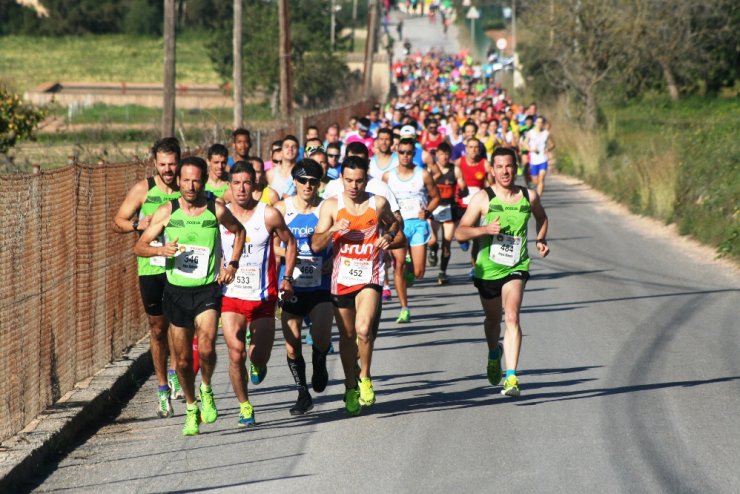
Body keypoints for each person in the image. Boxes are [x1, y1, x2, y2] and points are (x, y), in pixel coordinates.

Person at [133, 156, 246, 436]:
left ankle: (206, 388)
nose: (190, 186)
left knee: (206, 347)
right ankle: (191, 406)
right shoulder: (167, 211)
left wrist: (232, 264)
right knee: (182, 361)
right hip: (176, 291)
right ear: (179, 181)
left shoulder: (215, 209)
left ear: (204, 180)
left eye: (196, 180)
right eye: (185, 180)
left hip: (207, 288)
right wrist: (161, 251)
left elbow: (239, 231)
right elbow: (140, 246)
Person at [311, 156, 404, 416]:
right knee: (347, 337)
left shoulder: (378, 203)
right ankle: (350, 385)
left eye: (359, 181)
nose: (354, 186)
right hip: (341, 279)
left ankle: (364, 377)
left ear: (366, 180)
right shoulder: (331, 206)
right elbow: (316, 245)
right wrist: (333, 230)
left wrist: (388, 236)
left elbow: (395, 223)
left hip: (369, 276)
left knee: (364, 330)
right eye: (349, 180)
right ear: (341, 178)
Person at [454, 147, 550, 397]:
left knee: (512, 317)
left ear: (516, 167)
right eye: (499, 167)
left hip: (516, 266)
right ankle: (493, 352)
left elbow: (542, 217)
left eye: (509, 166)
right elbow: (460, 232)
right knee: (492, 321)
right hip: (487, 270)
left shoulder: (528, 196)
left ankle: (511, 377)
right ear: (492, 170)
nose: (505, 171)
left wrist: (541, 239)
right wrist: (483, 230)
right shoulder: (483, 198)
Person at [219, 160, 297, 427]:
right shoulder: (220, 214)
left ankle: (259, 364)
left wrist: (287, 277)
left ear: (255, 185)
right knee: (235, 353)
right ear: (229, 186)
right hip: (231, 295)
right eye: (236, 183)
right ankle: (245, 405)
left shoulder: (268, 214)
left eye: (246, 183)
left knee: (258, 356)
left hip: (263, 297)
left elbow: (291, 243)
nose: (241, 189)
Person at [112, 137, 182, 418]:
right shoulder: (143, 189)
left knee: (179, 324)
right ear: (155, 163)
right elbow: (117, 221)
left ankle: (175, 373)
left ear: (179, 162)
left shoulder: (187, 188)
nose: (168, 170)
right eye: (163, 164)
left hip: (179, 267)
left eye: (172, 164)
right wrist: (136, 224)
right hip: (151, 268)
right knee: (157, 328)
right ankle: (162, 388)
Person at [274, 160, 333, 415]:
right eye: (303, 180)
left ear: (319, 184)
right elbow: (272, 246)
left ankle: (319, 362)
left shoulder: (327, 208)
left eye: (313, 181)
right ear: (295, 181)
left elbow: (340, 240)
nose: (308, 185)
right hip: (291, 285)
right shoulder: (281, 209)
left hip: (321, 284)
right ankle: (302, 394)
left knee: (321, 338)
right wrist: (291, 254)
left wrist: (332, 259)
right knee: (292, 343)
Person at [383, 138, 439, 323]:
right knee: (398, 265)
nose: (405, 156)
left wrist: (428, 211)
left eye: (409, 152)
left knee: (418, 273)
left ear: (414, 154)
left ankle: (410, 268)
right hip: (398, 225)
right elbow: (381, 201)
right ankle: (404, 308)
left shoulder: (423, 174)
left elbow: (436, 197)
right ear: (397, 153)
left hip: (418, 225)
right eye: (402, 152)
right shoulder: (388, 177)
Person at [426, 142, 467, 284]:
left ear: (450, 155)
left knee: (447, 243)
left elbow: (463, 188)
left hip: (449, 208)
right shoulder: (430, 170)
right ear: (436, 155)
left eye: (446, 154)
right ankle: (432, 249)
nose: (444, 157)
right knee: (432, 240)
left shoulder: (455, 170)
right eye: (441, 154)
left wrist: (462, 191)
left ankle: (442, 272)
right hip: (434, 208)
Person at [526, 116, 554, 196]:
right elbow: (525, 143)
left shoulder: (547, 133)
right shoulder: (530, 133)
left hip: (543, 159)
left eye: (541, 122)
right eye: (538, 122)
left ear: (543, 124)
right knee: (535, 181)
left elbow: (553, 144)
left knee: (541, 179)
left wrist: (548, 149)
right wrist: (531, 149)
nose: (539, 124)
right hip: (534, 160)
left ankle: (538, 199)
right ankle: (535, 189)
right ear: (535, 123)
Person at [267, 135, 299, 199]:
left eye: (294, 147)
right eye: (286, 146)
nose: (290, 149)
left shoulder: (302, 173)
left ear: (298, 152)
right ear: (281, 152)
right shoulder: (270, 174)